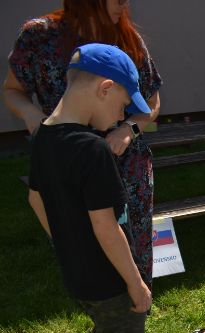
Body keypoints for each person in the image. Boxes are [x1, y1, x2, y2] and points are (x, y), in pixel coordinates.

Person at [26, 43, 172, 333]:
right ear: (105, 88)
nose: (123, 116)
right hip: (110, 279)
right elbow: (106, 227)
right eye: (124, 105)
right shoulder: (92, 149)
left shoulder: (44, 137)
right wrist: (135, 284)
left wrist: (63, 243)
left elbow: (35, 199)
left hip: (78, 273)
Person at [4, 0, 162, 284]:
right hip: (67, 164)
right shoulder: (38, 36)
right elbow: (12, 90)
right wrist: (33, 117)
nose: (125, 4)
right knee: (84, 251)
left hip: (125, 166)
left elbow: (151, 102)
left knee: (130, 251)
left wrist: (127, 130)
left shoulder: (128, 39)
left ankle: (137, 296)